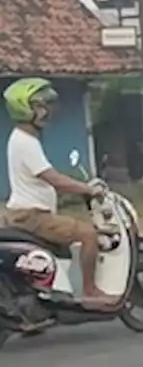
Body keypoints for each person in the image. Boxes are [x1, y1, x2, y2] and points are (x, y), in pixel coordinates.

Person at [1, 77, 111, 307]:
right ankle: (91, 291)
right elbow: (53, 179)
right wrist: (88, 189)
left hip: (26, 214)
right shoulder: (25, 142)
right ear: (26, 109)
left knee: (63, 249)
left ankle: (50, 298)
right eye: (42, 106)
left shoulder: (24, 138)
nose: (48, 111)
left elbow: (47, 177)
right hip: (34, 217)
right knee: (88, 234)